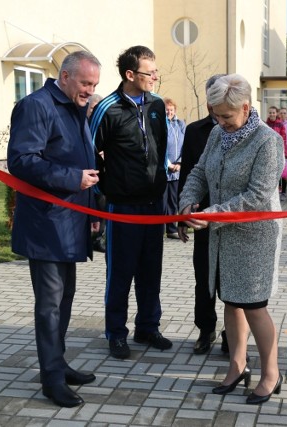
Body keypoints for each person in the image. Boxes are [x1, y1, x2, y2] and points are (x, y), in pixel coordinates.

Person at [179, 74, 284, 404]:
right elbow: (198, 171)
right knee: (230, 299)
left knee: (253, 305)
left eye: (227, 116)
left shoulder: (267, 141)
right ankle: (237, 365)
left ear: (246, 107)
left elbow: (257, 195)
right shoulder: (215, 134)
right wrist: (187, 200)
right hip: (222, 233)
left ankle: (271, 372)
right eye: (216, 115)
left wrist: (211, 215)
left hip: (254, 237)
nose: (221, 122)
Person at [7, 51, 101, 408]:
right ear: (65, 76)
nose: (90, 91)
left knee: (64, 300)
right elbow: (22, 161)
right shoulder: (36, 106)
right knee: (49, 305)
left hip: (72, 221)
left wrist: (91, 210)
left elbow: (82, 159)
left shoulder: (75, 108)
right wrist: (73, 179)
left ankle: (58, 364)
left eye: (94, 85)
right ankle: (51, 379)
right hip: (46, 224)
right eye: (85, 83)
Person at [89, 45, 172, 360]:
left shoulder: (157, 105)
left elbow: (161, 149)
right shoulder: (107, 108)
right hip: (122, 206)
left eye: (155, 71)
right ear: (129, 75)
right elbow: (89, 152)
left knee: (151, 270)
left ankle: (148, 327)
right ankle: (116, 333)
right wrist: (102, 195)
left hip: (154, 204)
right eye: (149, 72)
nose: (155, 76)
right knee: (120, 272)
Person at [177, 73, 229, 355]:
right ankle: (205, 329)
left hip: (234, 219)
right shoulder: (196, 131)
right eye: (211, 101)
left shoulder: (246, 131)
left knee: (231, 280)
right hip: (203, 219)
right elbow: (190, 173)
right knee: (204, 279)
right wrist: (182, 214)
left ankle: (232, 333)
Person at [87, 94, 107, 253]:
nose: (95, 111)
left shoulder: (103, 124)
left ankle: (98, 238)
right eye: (93, 108)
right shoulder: (82, 124)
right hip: (85, 175)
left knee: (102, 206)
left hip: (101, 174)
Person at [164, 98, 186, 239]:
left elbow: (186, 145)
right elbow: (159, 147)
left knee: (173, 201)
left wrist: (180, 163)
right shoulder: (161, 125)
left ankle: (171, 229)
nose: (169, 112)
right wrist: (168, 164)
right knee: (162, 202)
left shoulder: (181, 124)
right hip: (164, 170)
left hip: (177, 170)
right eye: (167, 110)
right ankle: (159, 229)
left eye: (171, 110)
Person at [265, 106, 287, 200]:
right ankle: (274, 192)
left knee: (282, 172)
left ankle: (283, 192)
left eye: (273, 112)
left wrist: (285, 152)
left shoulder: (280, 124)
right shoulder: (265, 124)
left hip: (279, 151)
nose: (272, 114)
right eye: (270, 112)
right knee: (271, 173)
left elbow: (284, 139)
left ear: (276, 113)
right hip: (268, 152)